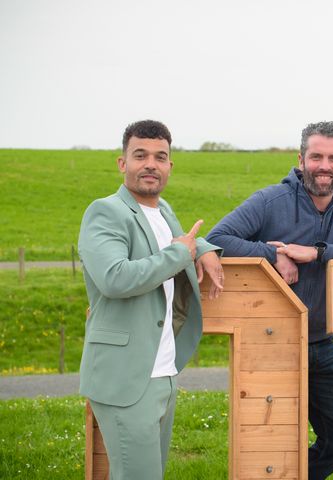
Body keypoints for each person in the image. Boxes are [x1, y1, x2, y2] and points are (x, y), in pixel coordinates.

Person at [206, 121, 333, 479]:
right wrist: (270, 256)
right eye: (316, 156)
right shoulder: (270, 200)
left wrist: (316, 253)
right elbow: (219, 237)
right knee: (267, 444)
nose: (325, 165)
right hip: (272, 343)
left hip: (322, 343)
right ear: (301, 159)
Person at [78, 120, 224, 479]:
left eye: (160, 157)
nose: (150, 164)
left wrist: (203, 248)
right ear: (122, 162)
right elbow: (115, 277)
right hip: (126, 376)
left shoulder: (164, 211)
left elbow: (177, 241)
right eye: (140, 155)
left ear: (170, 166)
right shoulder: (106, 211)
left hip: (162, 372)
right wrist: (180, 256)